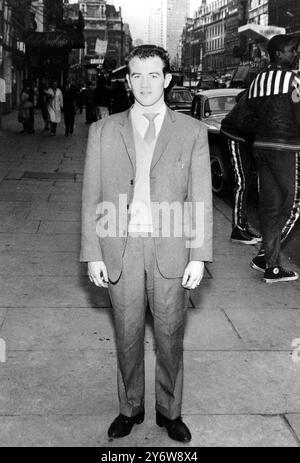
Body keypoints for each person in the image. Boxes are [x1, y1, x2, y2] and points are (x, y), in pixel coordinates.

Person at [81, 45, 213, 442]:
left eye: (153, 74)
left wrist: (199, 255)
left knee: (171, 334)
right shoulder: (103, 130)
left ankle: (170, 411)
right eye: (136, 75)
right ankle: (130, 407)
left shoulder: (192, 132)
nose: (144, 83)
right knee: (127, 333)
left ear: (168, 80)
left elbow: (201, 197)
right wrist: (92, 253)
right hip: (119, 247)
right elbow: (91, 196)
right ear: (127, 81)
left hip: (170, 248)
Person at [240, 35, 300, 283]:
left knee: (270, 206)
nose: (296, 54)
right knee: (293, 205)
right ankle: (267, 255)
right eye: (292, 50)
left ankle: (272, 266)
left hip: (261, 147)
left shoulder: (255, 80)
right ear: (278, 54)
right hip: (286, 149)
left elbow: (246, 116)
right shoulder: (292, 79)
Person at [221, 90, 262, 244]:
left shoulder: (261, 85)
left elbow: (240, 96)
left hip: (241, 138)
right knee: (242, 182)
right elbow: (242, 123)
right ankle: (238, 229)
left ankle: (243, 225)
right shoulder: (268, 92)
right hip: (234, 136)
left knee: (247, 180)